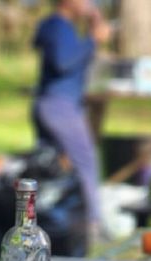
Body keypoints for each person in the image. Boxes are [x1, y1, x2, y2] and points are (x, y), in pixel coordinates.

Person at [32, 0, 111, 248]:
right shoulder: (58, 26)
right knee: (85, 160)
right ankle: (93, 226)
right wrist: (92, 40)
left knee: (53, 165)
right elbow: (63, 62)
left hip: (57, 104)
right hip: (59, 106)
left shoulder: (59, 27)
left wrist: (92, 33)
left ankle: (50, 222)